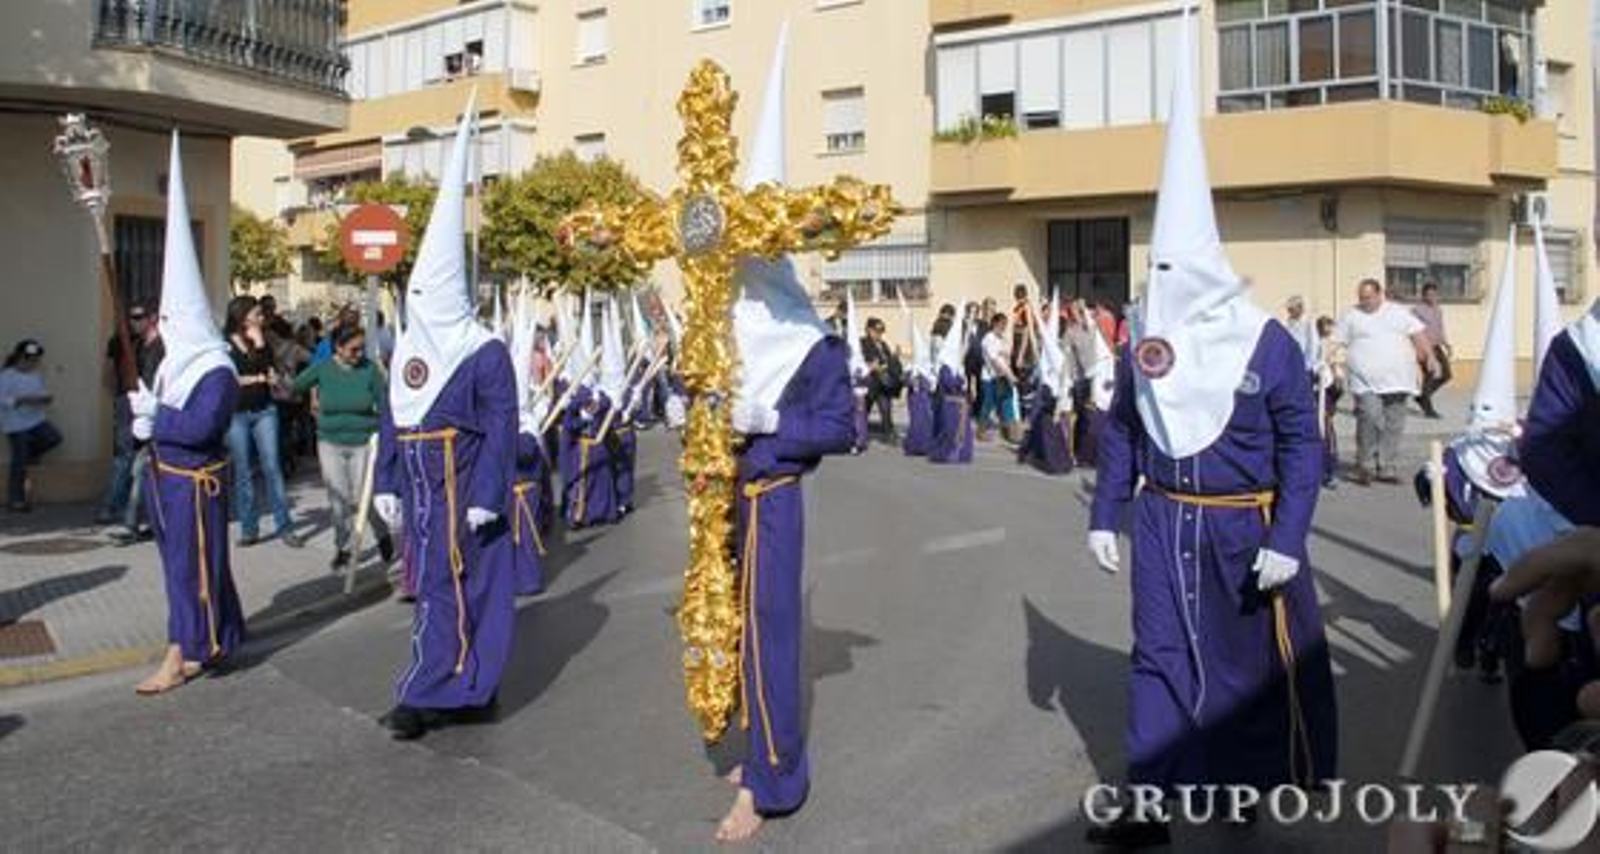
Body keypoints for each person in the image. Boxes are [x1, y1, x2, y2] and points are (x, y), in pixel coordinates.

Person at [1085, 25, 1335, 845]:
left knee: (1240, 669)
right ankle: (1149, 801)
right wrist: (1104, 513)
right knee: (1156, 655)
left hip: (1243, 522)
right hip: (1165, 519)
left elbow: (1303, 442)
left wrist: (1289, 534)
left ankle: (1241, 788)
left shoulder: (1262, 341)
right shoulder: (1147, 336)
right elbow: (1124, 427)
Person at [715, 38, 857, 841]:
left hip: (771, 495)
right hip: (717, 494)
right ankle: (757, 748)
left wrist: (772, 424)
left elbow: (844, 428)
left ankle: (773, 784)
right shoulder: (720, 318)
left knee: (768, 638)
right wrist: (687, 408)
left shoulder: (812, 339)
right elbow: (701, 386)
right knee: (723, 631)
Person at [371, 95, 518, 741]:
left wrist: (488, 494)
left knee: (473, 587)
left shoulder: (484, 351)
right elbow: (393, 415)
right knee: (433, 586)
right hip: (424, 485)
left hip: (466, 484)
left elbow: (504, 426)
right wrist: (387, 483)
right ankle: (445, 683)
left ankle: (457, 685)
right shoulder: (411, 347)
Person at [130, 133, 245, 694]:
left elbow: (202, 427)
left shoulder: (216, 371)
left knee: (189, 568)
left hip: (195, 482)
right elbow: (158, 415)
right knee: (192, 567)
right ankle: (217, 637)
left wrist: (159, 418)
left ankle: (182, 652)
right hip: (165, 476)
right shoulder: (172, 364)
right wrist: (140, 422)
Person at [291, 323, 394, 570]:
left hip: (363, 441)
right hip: (330, 441)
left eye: (361, 349)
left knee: (364, 497)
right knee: (339, 500)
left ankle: (382, 535)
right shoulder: (324, 368)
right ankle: (343, 548)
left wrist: (384, 434)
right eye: (353, 350)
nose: (359, 354)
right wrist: (305, 392)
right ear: (337, 348)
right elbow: (296, 386)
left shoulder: (369, 370)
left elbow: (384, 404)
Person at [1336, 278, 1436, 486]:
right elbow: (1337, 342)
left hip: (1398, 378)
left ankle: (1386, 465)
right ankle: (1364, 465)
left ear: (1380, 294)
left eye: (1368, 297)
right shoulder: (1352, 316)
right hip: (1364, 380)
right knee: (1369, 417)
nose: (1365, 301)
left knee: (1394, 423)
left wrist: (1430, 357)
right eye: (1361, 298)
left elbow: (1418, 334)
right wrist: (1330, 364)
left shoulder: (1398, 312)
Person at [223, 295, 302, 547]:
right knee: (243, 471)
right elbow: (229, 377)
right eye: (257, 314)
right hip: (237, 414)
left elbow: (267, 370)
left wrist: (258, 345)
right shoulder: (224, 344)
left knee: (272, 468)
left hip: (265, 410)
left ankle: (285, 527)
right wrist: (255, 376)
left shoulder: (262, 341)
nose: (262, 318)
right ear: (242, 316)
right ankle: (249, 529)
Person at [98, 304, 156, 525]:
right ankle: (111, 507)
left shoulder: (155, 342)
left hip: (149, 402)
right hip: (128, 401)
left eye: (139, 317)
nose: (135, 321)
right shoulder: (118, 340)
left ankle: (136, 511)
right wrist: (121, 397)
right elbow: (109, 371)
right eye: (132, 317)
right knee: (125, 457)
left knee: (144, 459)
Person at [0, 340, 62, 512]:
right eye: (31, 360)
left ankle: (30, 455)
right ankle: (15, 500)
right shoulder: (6, 375)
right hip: (16, 425)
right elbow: (3, 399)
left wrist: (45, 398)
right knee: (19, 462)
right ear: (21, 358)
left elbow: (40, 393)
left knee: (54, 438)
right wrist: (20, 400)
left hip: (36, 421)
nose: (34, 363)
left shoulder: (35, 375)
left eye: (36, 360)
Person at [928, 306, 974, 465]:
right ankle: (945, 446)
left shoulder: (950, 345)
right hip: (942, 381)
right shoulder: (940, 341)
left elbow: (963, 350)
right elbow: (940, 359)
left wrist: (969, 325)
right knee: (944, 417)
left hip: (951, 381)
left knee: (947, 417)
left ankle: (956, 447)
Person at [1412, 282, 1453, 419]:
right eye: (1429, 294)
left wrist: (1446, 344)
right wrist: (1419, 350)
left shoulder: (1438, 310)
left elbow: (1440, 329)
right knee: (1429, 376)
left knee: (1446, 375)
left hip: (1436, 346)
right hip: (1424, 347)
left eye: (1434, 294)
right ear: (1423, 295)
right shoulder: (1417, 311)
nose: (1432, 297)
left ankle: (1423, 397)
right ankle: (1428, 409)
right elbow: (1414, 332)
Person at [977, 313, 1018, 442]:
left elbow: (1006, 356)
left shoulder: (1002, 338)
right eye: (1002, 324)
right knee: (989, 403)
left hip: (1003, 375)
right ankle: (981, 431)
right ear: (994, 324)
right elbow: (994, 360)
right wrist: (1009, 375)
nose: (1004, 327)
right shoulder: (988, 339)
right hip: (991, 377)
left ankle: (1010, 432)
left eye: (1005, 324)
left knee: (1007, 401)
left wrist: (1009, 373)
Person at [1316, 315, 1345, 488]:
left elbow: (1337, 376)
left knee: (1327, 432)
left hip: (1326, 393)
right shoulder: (1311, 345)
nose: (1328, 330)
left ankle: (1328, 471)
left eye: (1330, 327)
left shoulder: (1333, 347)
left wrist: (1337, 381)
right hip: (1313, 391)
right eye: (1325, 327)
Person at [860, 317, 899, 440]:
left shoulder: (883, 344)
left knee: (886, 408)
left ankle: (889, 433)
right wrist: (871, 365)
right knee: (864, 410)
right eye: (877, 330)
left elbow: (887, 361)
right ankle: (858, 433)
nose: (880, 333)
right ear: (869, 330)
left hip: (882, 382)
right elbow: (862, 361)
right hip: (870, 382)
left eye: (882, 330)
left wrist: (894, 357)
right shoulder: (863, 342)